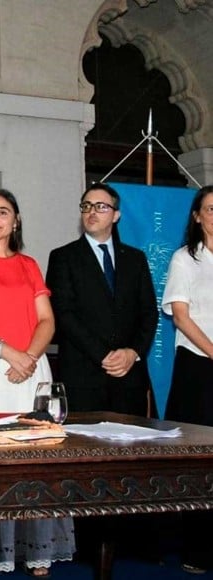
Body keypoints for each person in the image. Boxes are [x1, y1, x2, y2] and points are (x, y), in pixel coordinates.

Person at [0, 189, 74, 578]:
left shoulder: (29, 264)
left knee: (35, 459)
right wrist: (10, 353)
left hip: (30, 371)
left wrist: (30, 358)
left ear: (15, 220)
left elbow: (48, 321)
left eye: (3, 212)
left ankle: (38, 549)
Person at [47, 183, 158, 416]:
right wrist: (104, 356)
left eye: (100, 206)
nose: (92, 212)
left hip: (129, 377)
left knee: (134, 448)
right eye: (86, 206)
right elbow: (64, 314)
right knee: (85, 449)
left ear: (116, 215)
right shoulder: (63, 257)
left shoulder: (135, 259)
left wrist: (133, 352)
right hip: (83, 376)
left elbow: (148, 313)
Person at [161, 185, 213, 575]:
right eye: (209, 209)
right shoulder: (184, 258)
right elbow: (181, 315)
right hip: (199, 367)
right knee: (200, 461)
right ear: (197, 216)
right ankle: (196, 549)